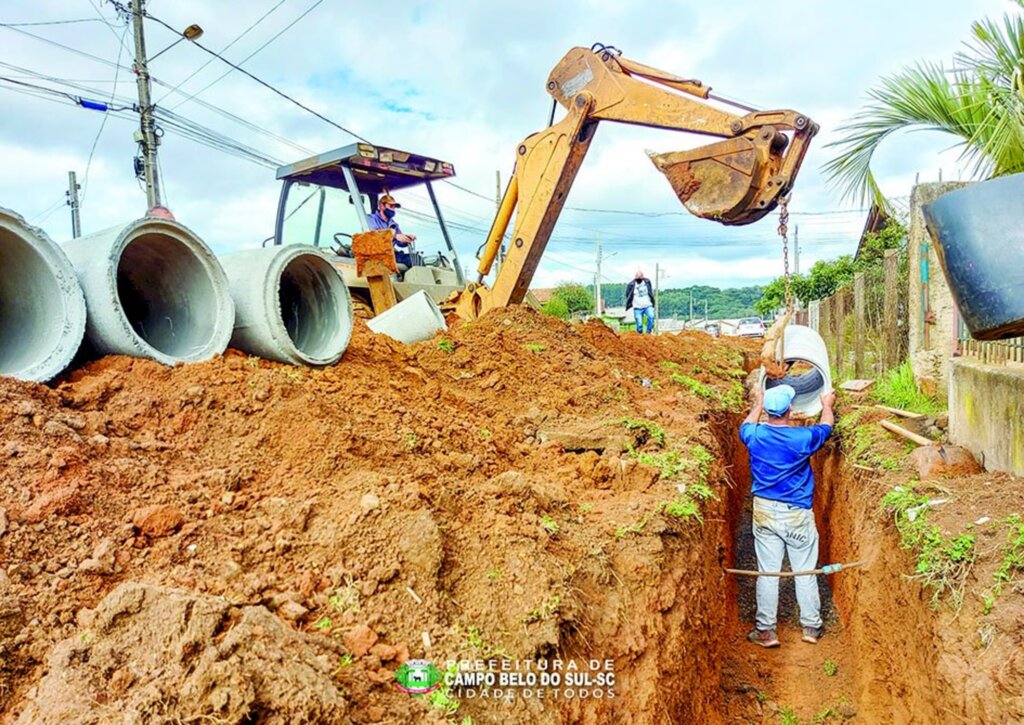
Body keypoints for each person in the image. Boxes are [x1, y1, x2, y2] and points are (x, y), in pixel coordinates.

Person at [739, 383, 836, 648]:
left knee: (768, 573)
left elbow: (747, 423)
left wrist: (757, 402)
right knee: (804, 571)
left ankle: (766, 631)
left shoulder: (753, 434)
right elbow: (827, 426)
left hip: (765, 513)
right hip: (796, 515)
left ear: (767, 411)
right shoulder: (802, 438)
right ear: (790, 409)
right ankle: (811, 627)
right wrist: (827, 405)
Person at [367, 194, 416, 268]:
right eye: (391, 206)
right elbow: (374, 234)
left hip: (391, 254)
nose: (393, 209)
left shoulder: (393, 224)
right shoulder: (370, 219)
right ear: (381, 206)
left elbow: (399, 243)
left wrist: (406, 239)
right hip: (376, 254)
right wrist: (395, 235)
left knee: (415, 259)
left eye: (394, 207)